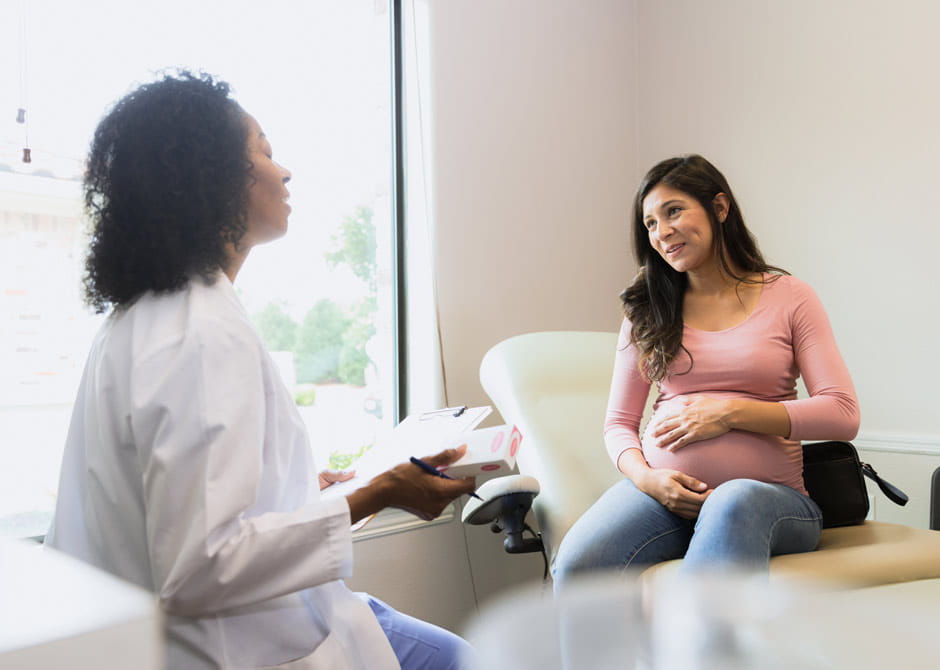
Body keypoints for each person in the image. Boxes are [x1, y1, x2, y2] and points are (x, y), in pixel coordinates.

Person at [44, 71, 476, 670]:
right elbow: (200, 567)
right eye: (266, 152)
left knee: (454, 654)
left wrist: (300, 492)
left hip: (171, 633)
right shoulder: (199, 333)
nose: (285, 172)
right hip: (233, 647)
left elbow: (181, 503)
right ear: (213, 177)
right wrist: (378, 493)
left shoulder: (142, 318)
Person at [552, 154, 860, 585]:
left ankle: (694, 630)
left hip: (771, 503)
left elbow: (842, 413)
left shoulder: (791, 297)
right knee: (578, 564)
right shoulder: (647, 310)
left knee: (730, 501)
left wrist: (729, 413)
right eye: (650, 223)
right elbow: (618, 424)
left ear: (719, 207)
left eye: (674, 211)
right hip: (664, 499)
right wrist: (648, 479)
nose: (662, 232)